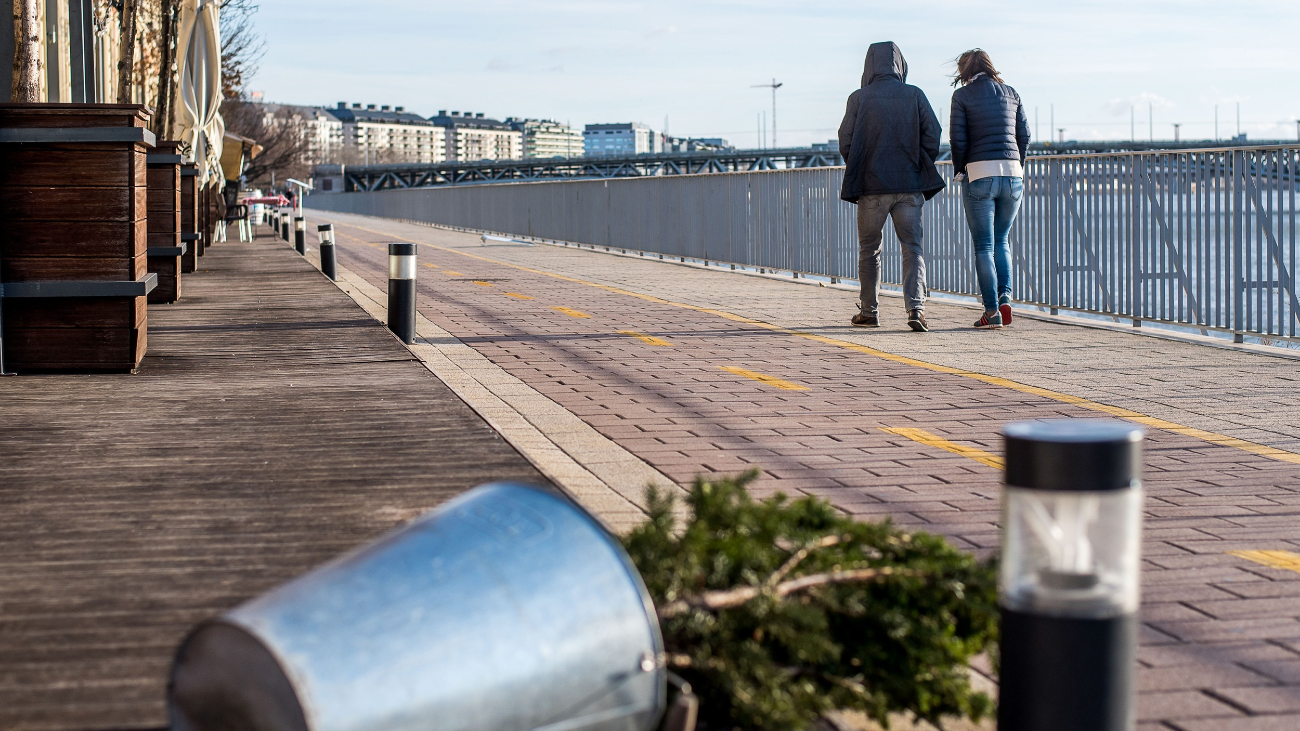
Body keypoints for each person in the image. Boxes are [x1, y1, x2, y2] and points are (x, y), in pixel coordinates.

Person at [838, 41, 945, 332]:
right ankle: (916, 309)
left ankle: (870, 312)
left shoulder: (859, 98)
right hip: (909, 186)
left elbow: (845, 140)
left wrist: (862, 165)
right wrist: (919, 162)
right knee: (913, 248)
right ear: (900, 65)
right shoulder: (914, 95)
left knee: (869, 249)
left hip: (871, 187)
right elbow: (932, 133)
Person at [949, 48, 1030, 329]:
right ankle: (1005, 296)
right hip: (1013, 175)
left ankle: (992, 312)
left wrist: (961, 170)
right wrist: (1016, 165)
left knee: (984, 246)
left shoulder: (961, 96)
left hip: (980, 175)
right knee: (1002, 240)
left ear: (964, 72)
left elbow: (957, 140)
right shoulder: (1011, 93)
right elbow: (1024, 135)